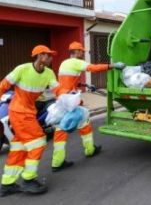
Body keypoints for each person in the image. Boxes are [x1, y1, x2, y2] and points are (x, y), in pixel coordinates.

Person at [0, 45, 65, 197]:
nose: (51, 58)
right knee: (38, 142)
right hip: (19, 112)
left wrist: (67, 98)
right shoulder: (22, 69)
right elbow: (3, 85)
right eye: (48, 55)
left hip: (29, 112)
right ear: (40, 56)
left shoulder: (49, 73)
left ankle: (7, 183)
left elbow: (57, 89)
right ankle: (28, 179)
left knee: (19, 147)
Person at [51, 41, 125, 172]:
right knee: (66, 127)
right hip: (70, 100)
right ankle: (76, 155)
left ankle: (82, 152)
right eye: (82, 51)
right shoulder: (76, 62)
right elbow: (93, 68)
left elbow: (69, 80)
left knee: (81, 122)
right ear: (77, 51)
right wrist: (113, 65)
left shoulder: (65, 63)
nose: (83, 53)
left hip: (63, 98)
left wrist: (84, 85)